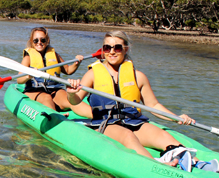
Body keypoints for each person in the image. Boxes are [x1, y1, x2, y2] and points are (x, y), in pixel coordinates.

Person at [65, 31, 195, 167]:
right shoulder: (92, 74)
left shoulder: (138, 76)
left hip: (134, 122)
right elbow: (75, 101)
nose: (112, 52)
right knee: (127, 136)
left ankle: (196, 164)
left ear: (125, 49)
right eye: (107, 48)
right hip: (106, 124)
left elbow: (153, 105)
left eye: (117, 47)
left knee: (165, 137)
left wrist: (177, 118)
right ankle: (157, 166)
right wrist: (71, 93)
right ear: (103, 50)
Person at [17, 27, 84, 112]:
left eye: (43, 40)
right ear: (31, 42)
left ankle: (95, 115)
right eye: (36, 40)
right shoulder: (28, 57)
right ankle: (56, 118)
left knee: (71, 101)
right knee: (46, 97)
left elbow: (68, 70)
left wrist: (76, 63)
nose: (39, 43)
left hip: (54, 90)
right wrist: (28, 76)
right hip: (35, 90)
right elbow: (19, 80)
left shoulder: (54, 55)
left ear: (47, 40)